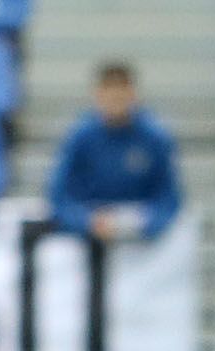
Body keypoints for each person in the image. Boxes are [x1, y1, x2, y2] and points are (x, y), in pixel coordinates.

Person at [48, 61, 181, 244]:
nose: (115, 98)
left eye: (121, 90)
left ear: (133, 94)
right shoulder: (80, 136)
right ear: (98, 94)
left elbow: (169, 196)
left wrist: (147, 224)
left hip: (142, 243)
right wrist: (86, 221)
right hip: (90, 239)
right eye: (109, 90)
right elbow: (60, 196)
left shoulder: (154, 138)